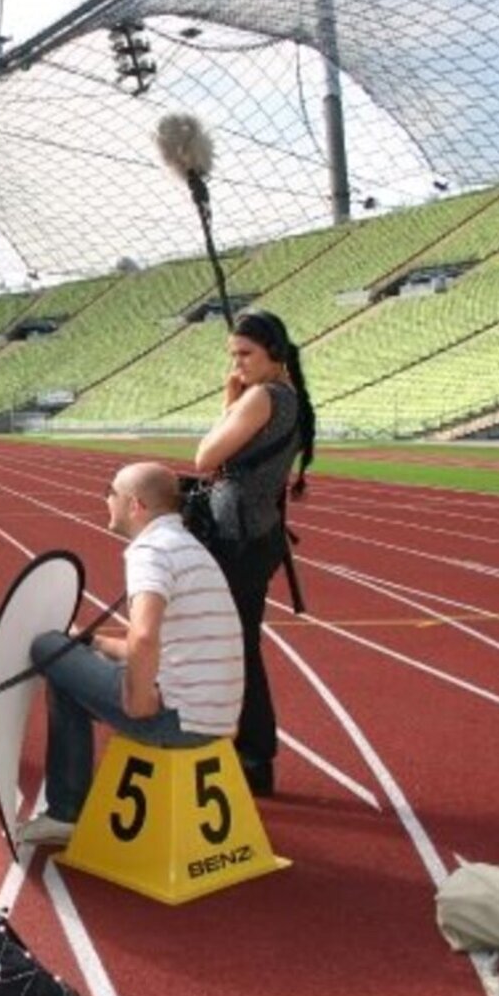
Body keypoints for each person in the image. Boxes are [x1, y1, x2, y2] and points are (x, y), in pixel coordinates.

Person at [18, 463, 243, 846]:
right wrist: (97, 644)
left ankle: (66, 813)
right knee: (70, 667)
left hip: (176, 723)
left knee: (48, 648)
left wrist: (139, 700)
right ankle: (65, 811)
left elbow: (144, 635)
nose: (105, 499)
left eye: (111, 492)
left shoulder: (150, 550)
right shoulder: (190, 548)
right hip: (216, 721)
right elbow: (167, 647)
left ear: (135, 505)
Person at [194, 309, 316, 797]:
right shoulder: (288, 397)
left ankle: (254, 755)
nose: (237, 364)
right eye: (232, 356)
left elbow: (204, 457)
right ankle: (249, 750)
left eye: (245, 354)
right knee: (237, 643)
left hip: (239, 537)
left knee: (237, 647)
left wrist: (229, 402)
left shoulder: (263, 397)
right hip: (256, 533)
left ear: (274, 355)